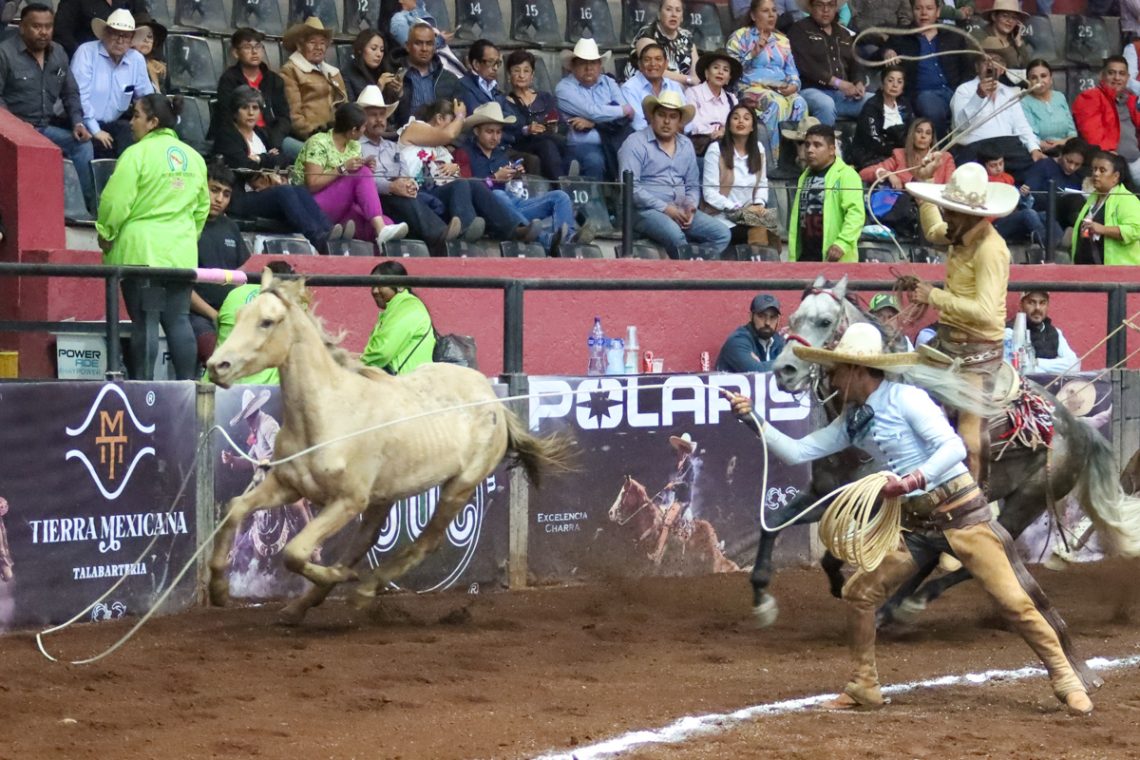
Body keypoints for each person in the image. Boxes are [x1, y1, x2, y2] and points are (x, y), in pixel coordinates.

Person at [725, 323, 1097, 716]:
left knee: (1013, 601)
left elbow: (953, 446)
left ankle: (1064, 677)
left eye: (835, 370)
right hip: (915, 525)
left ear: (856, 370)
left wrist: (913, 480)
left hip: (961, 516)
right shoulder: (855, 418)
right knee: (858, 592)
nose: (830, 379)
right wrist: (754, 422)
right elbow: (798, 452)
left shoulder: (907, 399)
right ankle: (864, 685)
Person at [904, 161, 1018, 482]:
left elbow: (987, 312)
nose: (946, 217)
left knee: (970, 436)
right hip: (947, 343)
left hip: (978, 353)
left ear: (969, 215)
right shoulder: (959, 233)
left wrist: (934, 297)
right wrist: (924, 185)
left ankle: (975, 500)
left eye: (950, 212)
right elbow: (932, 230)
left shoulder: (991, 250)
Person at [96, 93, 208, 380]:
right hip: (180, 255)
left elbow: (115, 202)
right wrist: (185, 237)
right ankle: (189, 390)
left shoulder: (136, 154)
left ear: (152, 122)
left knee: (145, 323)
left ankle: (142, 394)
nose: (131, 122)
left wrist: (106, 232)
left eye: (136, 115)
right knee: (179, 321)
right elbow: (202, 208)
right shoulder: (194, 158)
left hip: (142, 253)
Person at [213, 85, 341, 254]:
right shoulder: (227, 135)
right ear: (235, 112)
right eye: (245, 108)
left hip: (264, 191)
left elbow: (284, 159)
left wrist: (261, 158)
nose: (251, 113)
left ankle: (330, 233)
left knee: (299, 190)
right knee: (285, 192)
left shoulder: (261, 134)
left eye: (255, 108)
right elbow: (245, 166)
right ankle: (319, 239)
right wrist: (268, 159)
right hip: (242, 198)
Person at [397, 97, 539, 245]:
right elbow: (448, 134)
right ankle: (467, 228)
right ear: (439, 118)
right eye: (452, 122)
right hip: (417, 192)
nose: (456, 130)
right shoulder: (413, 127)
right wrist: (460, 116)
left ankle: (514, 230)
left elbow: (453, 174)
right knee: (461, 184)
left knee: (473, 183)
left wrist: (455, 167)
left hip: (441, 192)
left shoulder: (442, 149)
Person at [456, 102, 587, 256]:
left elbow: (508, 185)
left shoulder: (500, 154)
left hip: (512, 204)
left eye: (498, 132)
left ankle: (568, 238)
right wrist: (494, 178)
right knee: (498, 195)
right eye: (489, 132)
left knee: (560, 196)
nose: (495, 137)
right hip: (489, 212)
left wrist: (515, 175)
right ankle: (547, 240)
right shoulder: (464, 153)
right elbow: (466, 188)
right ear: (476, 131)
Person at [0, 3, 95, 211]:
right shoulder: (5, 54)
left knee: (82, 145)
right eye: (36, 26)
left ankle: (89, 209)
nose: (43, 32)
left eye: (48, 26)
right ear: (22, 27)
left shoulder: (58, 54)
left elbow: (70, 92)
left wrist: (77, 122)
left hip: (44, 128)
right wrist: (18, 129)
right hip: (12, 135)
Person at [618, 91, 732, 259]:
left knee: (721, 234)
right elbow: (631, 189)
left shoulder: (686, 144)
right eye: (661, 115)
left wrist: (691, 206)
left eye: (672, 117)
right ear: (652, 116)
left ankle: (698, 273)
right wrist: (666, 209)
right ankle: (685, 279)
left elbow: (692, 184)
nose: (666, 121)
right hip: (643, 210)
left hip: (679, 208)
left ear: (679, 122)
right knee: (676, 236)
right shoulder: (635, 142)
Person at [356, 86, 463, 255]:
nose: (379, 120)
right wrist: (392, 187)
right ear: (362, 119)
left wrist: (408, 184)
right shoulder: (354, 147)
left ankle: (447, 238)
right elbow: (360, 180)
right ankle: (442, 238)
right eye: (373, 115)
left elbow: (405, 172)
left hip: (400, 196)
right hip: (376, 201)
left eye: (382, 115)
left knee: (415, 196)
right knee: (404, 199)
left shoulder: (392, 146)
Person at [292, 102, 409, 247]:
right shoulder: (319, 142)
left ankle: (382, 260)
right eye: (364, 127)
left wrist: (366, 167)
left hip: (344, 206)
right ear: (354, 131)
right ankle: (381, 230)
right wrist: (343, 168)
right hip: (311, 205)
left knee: (386, 223)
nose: (365, 130)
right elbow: (312, 184)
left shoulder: (354, 146)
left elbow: (357, 183)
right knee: (361, 173)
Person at [727, 0, 807, 158]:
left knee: (800, 103)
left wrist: (793, 86)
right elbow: (730, 70)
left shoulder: (783, 41)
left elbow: (792, 72)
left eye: (774, 11)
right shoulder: (740, 37)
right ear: (753, 15)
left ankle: (795, 158)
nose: (771, 15)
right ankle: (774, 159)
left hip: (780, 88)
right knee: (775, 103)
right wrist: (753, 54)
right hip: (749, 89)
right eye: (765, 11)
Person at [70, 8, 154, 158]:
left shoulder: (136, 59)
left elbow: (146, 97)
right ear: (105, 33)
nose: (120, 40)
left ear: (132, 39)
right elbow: (79, 96)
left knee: (130, 134)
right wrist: (96, 130)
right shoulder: (86, 52)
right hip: (79, 121)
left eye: (125, 36)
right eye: (115, 34)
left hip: (112, 124)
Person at [880, 0, 970, 139]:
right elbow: (876, 53)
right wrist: (887, 51)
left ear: (938, 11)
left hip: (955, 92)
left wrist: (965, 92)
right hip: (923, 95)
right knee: (929, 105)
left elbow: (967, 68)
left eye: (929, 8)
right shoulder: (901, 37)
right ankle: (941, 148)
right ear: (912, 11)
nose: (924, 13)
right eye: (918, 8)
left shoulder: (953, 36)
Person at [190, 161, 251, 364]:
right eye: (214, 190)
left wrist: (232, 314)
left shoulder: (231, 227)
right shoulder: (187, 225)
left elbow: (241, 275)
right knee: (217, 357)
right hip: (195, 315)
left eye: (226, 194)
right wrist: (213, 314)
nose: (219, 199)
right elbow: (181, 285)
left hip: (229, 314)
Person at [950, 57, 1044, 181]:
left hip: (1008, 149)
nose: (990, 64)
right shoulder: (964, 90)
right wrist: (978, 96)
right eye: (985, 60)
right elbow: (960, 125)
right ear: (977, 67)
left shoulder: (1009, 92)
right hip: (977, 149)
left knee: (1040, 167)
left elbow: (1021, 126)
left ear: (1002, 69)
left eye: (996, 60)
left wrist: (1034, 149)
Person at [555, 38, 634, 181]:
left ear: (599, 65)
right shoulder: (564, 88)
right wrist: (622, 110)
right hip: (583, 144)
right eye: (583, 63)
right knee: (594, 160)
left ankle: (625, 200)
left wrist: (593, 123)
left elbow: (622, 119)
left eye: (593, 63)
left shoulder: (608, 82)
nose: (589, 67)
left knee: (636, 152)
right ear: (573, 66)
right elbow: (591, 111)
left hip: (613, 140)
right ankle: (595, 202)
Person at [210, 260, 296, 385]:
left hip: (217, 382)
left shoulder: (235, 293)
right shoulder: (283, 302)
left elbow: (218, 327)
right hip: (264, 388)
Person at [787, 123, 864, 262]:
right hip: (805, 256)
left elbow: (856, 214)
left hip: (835, 258)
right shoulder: (804, 176)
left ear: (831, 150)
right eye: (807, 144)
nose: (810, 150)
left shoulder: (847, 175)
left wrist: (842, 243)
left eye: (817, 145)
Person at [702, 103, 776, 247]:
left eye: (746, 118)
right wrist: (737, 208)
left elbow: (762, 183)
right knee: (760, 232)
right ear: (729, 125)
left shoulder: (758, 149)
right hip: (722, 215)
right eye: (735, 118)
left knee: (772, 230)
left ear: (753, 127)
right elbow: (709, 193)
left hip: (749, 213)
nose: (741, 121)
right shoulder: (716, 150)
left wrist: (759, 204)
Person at [788, 0, 870, 126]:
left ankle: (862, 145)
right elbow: (806, 66)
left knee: (873, 102)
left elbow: (856, 63)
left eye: (831, 5)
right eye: (820, 4)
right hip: (812, 90)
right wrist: (838, 83)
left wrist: (859, 82)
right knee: (826, 104)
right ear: (811, 7)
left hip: (843, 95)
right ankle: (825, 143)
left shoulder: (844, 33)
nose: (826, 10)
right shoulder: (799, 29)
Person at [215, 29, 294, 158]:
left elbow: (284, 117)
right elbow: (226, 116)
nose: (254, 51)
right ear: (236, 53)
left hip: (273, 136)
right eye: (247, 47)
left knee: (305, 152)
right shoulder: (228, 79)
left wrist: (275, 141)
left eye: (258, 46)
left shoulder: (274, 80)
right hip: (242, 135)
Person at [504, 49, 572, 181]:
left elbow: (563, 125)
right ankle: (561, 184)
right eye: (516, 71)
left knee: (560, 143)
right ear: (509, 75)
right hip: (524, 144)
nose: (521, 75)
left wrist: (554, 128)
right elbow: (509, 133)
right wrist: (527, 130)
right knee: (547, 145)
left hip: (552, 140)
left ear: (532, 75)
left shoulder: (545, 98)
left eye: (526, 71)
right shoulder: (505, 103)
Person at [1072, 56, 1140, 188]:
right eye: (1111, 73)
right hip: (1111, 163)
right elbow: (1092, 135)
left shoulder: (1131, 100)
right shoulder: (1090, 97)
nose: (1117, 78)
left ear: (1127, 78)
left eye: (1121, 74)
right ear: (1101, 75)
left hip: (1136, 161)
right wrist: (1111, 156)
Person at [361, 260, 436, 374]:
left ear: (400, 286)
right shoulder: (395, 308)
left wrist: (354, 364)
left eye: (380, 284)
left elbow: (382, 353)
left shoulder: (407, 306)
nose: (375, 291)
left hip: (405, 385)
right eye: (372, 285)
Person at [280, 17, 348, 143]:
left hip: (335, 138)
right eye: (312, 42)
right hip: (309, 139)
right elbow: (294, 116)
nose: (318, 47)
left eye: (322, 43)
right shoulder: (290, 71)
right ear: (300, 45)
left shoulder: (333, 72)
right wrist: (315, 136)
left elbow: (346, 108)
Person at [1071, 151, 1140, 266]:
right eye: (1094, 169)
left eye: (1102, 170)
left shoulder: (1126, 199)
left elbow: (1136, 229)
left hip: (1118, 274)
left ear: (1116, 176)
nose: (1096, 174)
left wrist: (1102, 229)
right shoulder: (1092, 198)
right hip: (1086, 270)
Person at [1018, 137, 1087, 243]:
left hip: (1065, 218)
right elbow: (1031, 194)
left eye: (1077, 165)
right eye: (1069, 161)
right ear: (1062, 154)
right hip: (1044, 213)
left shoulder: (1077, 178)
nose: (1072, 167)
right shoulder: (1044, 166)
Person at [393, 21, 460, 128]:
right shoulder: (394, 75)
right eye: (418, 43)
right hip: (402, 140)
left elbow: (459, 118)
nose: (424, 49)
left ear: (434, 47)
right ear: (407, 46)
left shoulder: (449, 79)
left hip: (441, 140)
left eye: (429, 44)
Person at [649, 431, 701, 565]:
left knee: (666, 523)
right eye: (680, 448)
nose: (681, 451)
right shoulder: (681, 465)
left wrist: (674, 485)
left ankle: (657, 554)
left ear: (687, 451)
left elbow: (688, 484)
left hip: (683, 501)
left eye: (684, 449)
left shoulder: (689, 466)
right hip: (677, 500)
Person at [623, 0, 700, 86]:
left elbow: (696, 73)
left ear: (682, 17)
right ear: (659, 14)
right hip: (644, 88)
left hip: (680, 91)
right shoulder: (647, 34)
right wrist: (688, 80)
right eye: (668, 9)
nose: (674, 14)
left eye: (678, 10)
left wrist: (692, 83)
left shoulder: (687, 36)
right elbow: (655, 70)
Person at [980, 146, 1045, 246]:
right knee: (1028, 214)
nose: (998, 168)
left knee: (1045, 215)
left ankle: (1059, 240)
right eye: (993, 165)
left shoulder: (1008, 178)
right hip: (993, 225)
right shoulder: (981, 182)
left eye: (1001, 163)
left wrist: (1024, 195)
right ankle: (1046, 245)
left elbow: (1020, 204)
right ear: (984, 166)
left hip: (1012, 218)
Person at [850, 65, 911, 170]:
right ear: (882, 83)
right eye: (890, 80)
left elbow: (910, 131)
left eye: (899, 82)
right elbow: (873, 139)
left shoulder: (905, 105)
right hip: (871, 155)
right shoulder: (872, 106)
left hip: (898, 154)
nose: (895, 85)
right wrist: (896, 153)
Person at [1007, 290, 1080, 375]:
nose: (1037, 308)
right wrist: (1056, 365)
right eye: (1031, 302)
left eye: (1042, 303)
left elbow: (1074, 366)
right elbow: (1020, 369)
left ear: (1047, 306)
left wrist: (1037, 362)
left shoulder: (1055, 332)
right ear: (1021, 305)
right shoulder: (1010, 332)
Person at [685, 49, 742, 157]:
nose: (720, 72)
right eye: (716, 68)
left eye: (725, 70)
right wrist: (717, 133)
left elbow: (737, 123)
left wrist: (725, 132)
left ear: (728, 79)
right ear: (707, 73)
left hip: (728, 145)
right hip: (702, 148)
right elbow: (692, 125)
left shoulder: (732, 99)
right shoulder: (693, 93)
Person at [622, 40, 686, 134]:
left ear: (666, 64)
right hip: (644, 140)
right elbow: (638, 124)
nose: (653, 64)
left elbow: (686, 120)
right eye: (647, 60)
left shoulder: (674, 86)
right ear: (640, 64)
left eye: (658, 59)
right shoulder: (629, 88)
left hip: (675, 137)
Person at [457, 39, 514, 139]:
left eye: (498, 63)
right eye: (490, 62)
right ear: (476, 64)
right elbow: (479, 116)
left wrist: (493, 115)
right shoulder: (463, 86)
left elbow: (513, 118)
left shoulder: (495, 87)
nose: (495, 68)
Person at [715, 293, 785, 372]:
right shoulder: (737, 341)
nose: (767, 322)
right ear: (751, 316)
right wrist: (787, 362)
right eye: (761, 316)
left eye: (772, 317)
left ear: (778, 320)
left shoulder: (779, 342)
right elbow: (755, 372)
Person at [1021, 60, 1076, 156]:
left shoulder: (1060, 97)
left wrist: (1060, 143)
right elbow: (1031, 136)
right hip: (1041, 152)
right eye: (1034, 77)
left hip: (1067, 148)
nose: (1039, 81)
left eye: (1043, 76)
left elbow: (1072, 133)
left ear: (1051, 79)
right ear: (1028, 81)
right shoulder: (1024, 102)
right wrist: (1045, 145)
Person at [52, 0, 145, 57]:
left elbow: (145, 23)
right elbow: (62, 32)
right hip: (86, 61)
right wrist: (83, 55)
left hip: (125, 59)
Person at [343, 29, 404, 105]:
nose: (379, 54)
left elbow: (398, 113)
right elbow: (351, 111)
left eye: (382, 50)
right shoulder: (348, 74)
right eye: (373, 49)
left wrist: (399, 93)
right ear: (360, 49)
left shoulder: (384, 71)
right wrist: (378, 89)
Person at [979, 0, 1029, 75]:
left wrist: (1019, 44)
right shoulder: (982, 36)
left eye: (1014, 18)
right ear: (994, 16)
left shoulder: (1015, 41)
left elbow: (1027, 68)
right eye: (1005, 16)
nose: (1010, 21)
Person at [129, 12, 164, 93]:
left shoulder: (158, 69)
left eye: (150, 37)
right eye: (142, 36)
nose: (146, 40)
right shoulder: (125, 66)